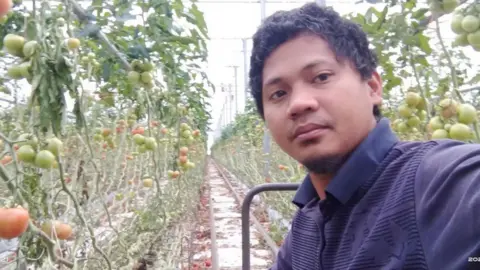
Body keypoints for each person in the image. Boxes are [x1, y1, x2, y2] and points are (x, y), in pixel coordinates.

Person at [248, 3, 480, 270]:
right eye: (278, 94)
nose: (299, 104)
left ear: (372, 87)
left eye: (321, 77)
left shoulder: (443, 185)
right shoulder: (306, 223)